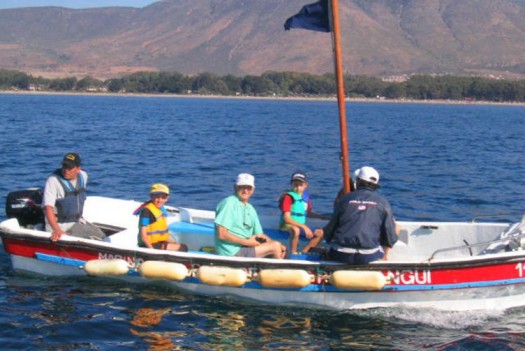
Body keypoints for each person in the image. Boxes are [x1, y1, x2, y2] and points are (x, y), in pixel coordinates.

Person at [323, 166, 398, 265]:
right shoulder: (383, 202)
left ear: (358, 181)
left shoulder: (344, 199)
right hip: (368, 256)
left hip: (341, 254)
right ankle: (384, 259)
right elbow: (390, 237)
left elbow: (330, 230)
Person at [215, 173, 286, 259]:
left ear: (253, 190)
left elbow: (259, 235)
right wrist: (247, 242)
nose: (245, 191)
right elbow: (222, 234)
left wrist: (277, 244)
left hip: (245, 247)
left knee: (280, 247)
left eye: (248, 188)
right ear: (235, 187)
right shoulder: (229, 203)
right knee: (274, 247)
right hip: (231, 252)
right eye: (242, 187)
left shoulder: (250, 209)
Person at [43, 152, 106, 242]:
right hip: (60, 225)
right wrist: (57, 230)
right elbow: (47, 208)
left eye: (70, 168)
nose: (66, 170)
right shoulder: (53, 181)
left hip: (77, 221)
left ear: (78, 169)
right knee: (94, 239)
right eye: (64, 166)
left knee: (101, 235)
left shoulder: (83, 176)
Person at [278, 171, 327, 254]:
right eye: (295, 185)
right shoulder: (288, 197)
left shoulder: (305, 198)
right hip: (287, 226)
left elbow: (308, 213)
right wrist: (304, 227)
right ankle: (293, 254)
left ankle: (304, 252)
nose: (297, 187)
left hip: (300, 226)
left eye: (300, 185)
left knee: (320, 233)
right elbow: (287, 218)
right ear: (291, 184)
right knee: (296, 230)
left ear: (305, 185)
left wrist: (322, 217)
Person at [137, 183, 188, 251]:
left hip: (158, 242)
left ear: (167, 198)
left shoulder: (160, 209)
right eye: (157, 197)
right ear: (151, 196)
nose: (160, 200)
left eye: (163, 197)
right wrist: (152, 252)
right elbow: (144, 237)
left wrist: (172, 242)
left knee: (179, 245)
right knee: (183, 248)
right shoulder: (146, 211)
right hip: (148, 245)